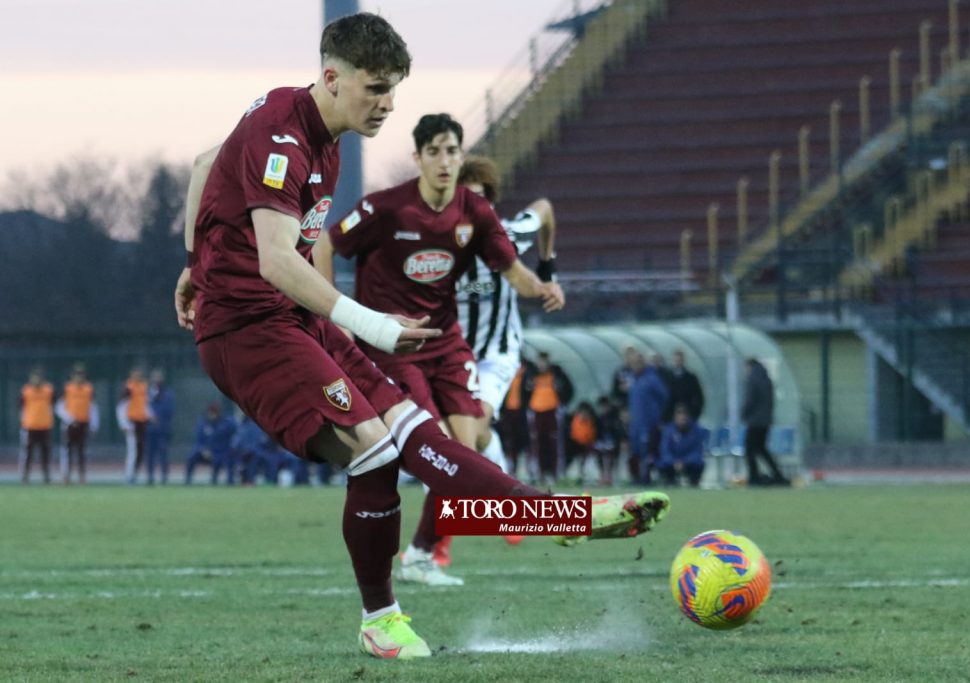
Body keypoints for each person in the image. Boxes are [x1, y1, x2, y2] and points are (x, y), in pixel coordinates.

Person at [174, 13, 667, 660]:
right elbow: (277, 259)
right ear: (332, 76)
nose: (387, 104)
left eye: (393, 90)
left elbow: (208, 161)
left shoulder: (314, 128)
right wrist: (371, 322)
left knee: (418, 434)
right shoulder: (286, 141)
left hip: (300, 318)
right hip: (249, 327)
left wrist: (191, 258)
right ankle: (381, 617)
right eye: (375, 89)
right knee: (374, 449)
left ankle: (560, 516)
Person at [318, 113, 565, 585]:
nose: (445, 161)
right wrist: (340, 316)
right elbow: (326, 245)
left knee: (466, 449)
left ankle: (426, 550)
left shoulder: (477, 214)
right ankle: (515, 516)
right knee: (444, 450)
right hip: (395, 346)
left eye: (453, 151)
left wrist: (545, 286)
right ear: (419, 158)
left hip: (451, 345)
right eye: (435, 151)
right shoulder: (386, 209)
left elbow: (516, 272)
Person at [454, 155, 559, 474]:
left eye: (481, 199)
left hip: (495, 356)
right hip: (450, 360)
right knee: (472, 435)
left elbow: (544, 209)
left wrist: (548, 271)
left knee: (466, 431)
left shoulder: (509, 236)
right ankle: (500, 482)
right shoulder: (433, 250)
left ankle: (460, 511)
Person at [523, 351, 575, 487]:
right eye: (540, 361)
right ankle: (539, 473)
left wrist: (562, 403)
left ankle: (556, 473)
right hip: (536, 413)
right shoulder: (531, 374)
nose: (542, 365)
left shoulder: (557, 374)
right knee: (537, 445)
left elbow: (569, 389)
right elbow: (523, 392)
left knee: (555, 444)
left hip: (553, 412)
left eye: (544, 361)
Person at [742, 358, 790, 487]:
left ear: (749, 366)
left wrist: (744, 413)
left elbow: (750, 400)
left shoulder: (753, 380)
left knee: (750, 450)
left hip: (754, 421)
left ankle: (754, 477)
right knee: (762, 449)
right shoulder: (767, 380)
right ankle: (777, 475)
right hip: (765, 421)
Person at [626, 352, 669, 484]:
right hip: (635, 424)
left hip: (648, 423)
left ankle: (648, 478)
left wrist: (656, 414)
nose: (636, 366)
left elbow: (664, 396)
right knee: (635, 451)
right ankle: (637, 477)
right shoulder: (633, 379)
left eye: (638, 363)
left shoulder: (651, 378)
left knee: (648, 451)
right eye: (633, 363)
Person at [56, 363, 97, 485]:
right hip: (69, 425)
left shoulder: (88, 388)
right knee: (67, 451)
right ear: (72, 376)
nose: (79, 377)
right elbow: (59, 407)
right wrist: (69, 419)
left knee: (82, 451)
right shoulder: (67, 388)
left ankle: (82, 476)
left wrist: (94, 424)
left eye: (81, 375)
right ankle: (66, 476)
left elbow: (93, 407)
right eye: (76, 375)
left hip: (84, 423)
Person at [184, 403, 238, 485]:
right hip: (207, 453)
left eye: (213, 413)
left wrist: (230, 448)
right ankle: (188, 480)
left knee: (228, 459)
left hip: (222, 452)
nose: (211, 415)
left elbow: (236, 435)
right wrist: (203, 450)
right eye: (210, 413)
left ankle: (229, 482)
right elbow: (198, 440)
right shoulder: (203, 423)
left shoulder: (227, 423)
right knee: (192, 456)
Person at [656, 403, 708, 487]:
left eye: (684, 418)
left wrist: (684, 462)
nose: (682, 421)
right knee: (662, 464)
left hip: (688, 463)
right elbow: (665, 451)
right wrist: (674, 462)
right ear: (675, 418)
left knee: (699, 464)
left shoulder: (696, 431)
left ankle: (694, 483)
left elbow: (697, 452)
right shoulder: (668, 431)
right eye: (679, 417)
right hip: (672, 463)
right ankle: (670, 482)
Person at [19, 368, 54, 484]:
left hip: (45, 426)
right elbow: (21, 408)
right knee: (28, 453)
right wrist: (23, 423)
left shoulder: (48, 390)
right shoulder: (26, 391)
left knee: (45, 453)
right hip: (30, 426)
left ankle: (46, 475)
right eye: (34, 377)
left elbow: (53, 405)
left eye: (38, 377)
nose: (36, 380)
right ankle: (25, 475)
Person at [118, 366, 150, 484]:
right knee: (133, 450)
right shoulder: (128, 387)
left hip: (142, 421)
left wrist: (149, 415)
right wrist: (124, 423)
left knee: (140, 450)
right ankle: (129, 475)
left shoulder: (143, 386)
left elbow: (144, 404)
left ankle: (135, 474)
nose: (138, 376)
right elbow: (121, 407)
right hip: (131, 422)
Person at [145, 368, 176, 485]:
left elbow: (170, 410)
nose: (157, 380)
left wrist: (159, 418)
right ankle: (150, 476)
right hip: (150, 429)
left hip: (163, 429)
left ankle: (164, 476)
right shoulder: (146, 394)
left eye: (159, 378)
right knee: (150, 454)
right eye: (154, 378)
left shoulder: (167, 394)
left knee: (163, 453)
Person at [666, 349, 705, 423]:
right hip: (671, 416)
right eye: (676, 359)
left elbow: (699, 397)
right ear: (673, 360)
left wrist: (695, 413)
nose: (678, 362)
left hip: (688, 415)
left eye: (680, 359)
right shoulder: (668, 377)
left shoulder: (691, 377)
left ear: (683, 360)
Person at [594, 395, 625, 486]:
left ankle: (609, 476)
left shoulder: (614, 418)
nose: (603, 409)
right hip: (602, 442)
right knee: (599, 453)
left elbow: (619, 433)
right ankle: (602, 474)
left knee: (610, 454)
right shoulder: (599, 419)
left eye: (605, 406)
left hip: (613, 443)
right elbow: (596, 433)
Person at [566, 401, 598, 485]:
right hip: (574, 445)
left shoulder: (592, 422)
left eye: (586, 412)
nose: (584, 414)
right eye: (582, 412)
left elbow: (592, 436)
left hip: (587, 445)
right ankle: (570, 475)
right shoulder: (573, 421)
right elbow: (572, 435)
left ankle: (588, 477)